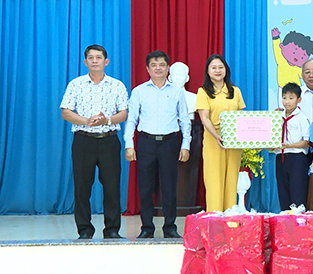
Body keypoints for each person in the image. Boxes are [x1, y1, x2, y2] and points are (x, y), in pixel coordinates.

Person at [60, 44, 128, 239]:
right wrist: (86, 121)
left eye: (99, 57)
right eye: (91, 58)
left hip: (109, 141)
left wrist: (107, 120)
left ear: (106, 61)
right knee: (82, 187)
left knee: (112, 186)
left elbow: (123, 113)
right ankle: (84, 230)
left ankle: (112, 230)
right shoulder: (76, 84)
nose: (95, 61)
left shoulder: (117, 85)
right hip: (83, 141)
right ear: (85, 62)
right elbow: (65, 111)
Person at [124, 51, 191, 239]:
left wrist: (185, 145)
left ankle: (170, 227)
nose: (158, 68)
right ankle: (147, 227)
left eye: (162, 64)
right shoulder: (139, 91)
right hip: (146, 143)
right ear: (147, 68)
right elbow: (131, 120)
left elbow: (184, 120)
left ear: (168, 68)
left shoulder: (176, 91)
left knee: (169, 186)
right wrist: (129, 144)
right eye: (154, 65)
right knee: (145, 187)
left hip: (170, 142)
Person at [196, 54, 246, 211]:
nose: (217, 70)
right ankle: (215, 219)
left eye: (220, 67)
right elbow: (204, 117)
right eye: (214, 67)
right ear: (208, 71)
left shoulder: (235, 91)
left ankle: (230, 219)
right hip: (213, 139)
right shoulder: (203, 91)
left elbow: (241, 115)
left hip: (234, 140)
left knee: (232, 180)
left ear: (226, 70)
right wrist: (217, 136)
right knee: (214, 181)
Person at [275, 82, 311, 211]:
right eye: (284, 98)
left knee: (298, 190)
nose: (287, 102)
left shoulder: (302, 118)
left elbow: (306, 141)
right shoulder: (276, 117)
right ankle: (285, 220)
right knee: (283, 190)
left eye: (291, 98)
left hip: (297, 158)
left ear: (299, 100)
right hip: (281, 157)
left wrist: (289, 145)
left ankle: (298, 221)